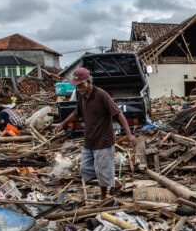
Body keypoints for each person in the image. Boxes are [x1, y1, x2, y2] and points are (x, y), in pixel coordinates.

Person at [53, 67, 137, 198]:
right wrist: (62, 124)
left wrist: (129, 134)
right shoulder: (82, 96)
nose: (78, 88)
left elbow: (118, 114)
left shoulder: (101, 95)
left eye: (80, 84)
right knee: (85, 169)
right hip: (90, 140)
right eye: (77, 85)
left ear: (88, 81)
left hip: (104, 140)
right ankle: (114, 182)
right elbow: (77, 113)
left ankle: (104, 195)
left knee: (102, 169)